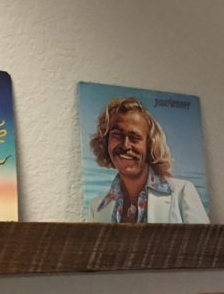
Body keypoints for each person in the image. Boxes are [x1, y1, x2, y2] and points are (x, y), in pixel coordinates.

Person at [88, 96, 208, 224]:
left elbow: (207, 243)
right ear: (106, 142)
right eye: (117, 135)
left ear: (150, 145)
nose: (125, 145)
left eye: (134, 137)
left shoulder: (182, 193)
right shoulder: (96, 207)